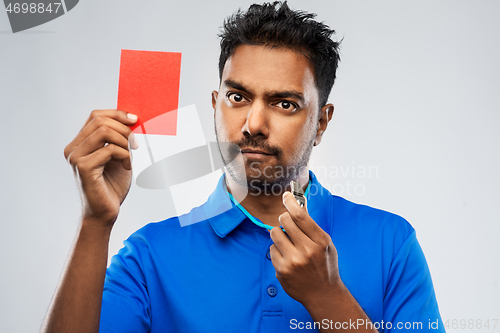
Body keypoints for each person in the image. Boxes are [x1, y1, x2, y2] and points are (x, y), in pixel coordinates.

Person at [41, 2, 445, 332]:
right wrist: (95, 222)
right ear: (215, 104)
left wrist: (328, 297)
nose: (253, 124)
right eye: (237, 98)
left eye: (284, 103)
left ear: (321, 122)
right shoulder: (148, 257)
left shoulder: (391, 245)